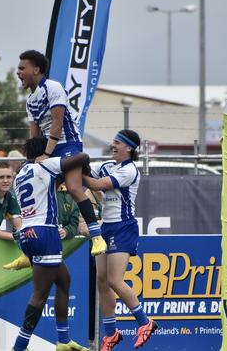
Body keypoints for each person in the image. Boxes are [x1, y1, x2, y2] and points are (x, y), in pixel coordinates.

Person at [17, 49, 106, 256]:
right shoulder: (30, 101)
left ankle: (97, 237)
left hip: (68, 145)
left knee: (75, 189)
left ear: (36, 69)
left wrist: (46, 156)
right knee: (40, 193)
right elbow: (35, 136)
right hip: (49, 148)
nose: (18, 72)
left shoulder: (53, 87)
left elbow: (57, 124)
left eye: (22, 68)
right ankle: (27, 250)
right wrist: (30, 161)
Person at [11, 137, 89, 351]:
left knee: (64, 280)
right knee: (40, 294)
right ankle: (20, 345)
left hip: (28, 233)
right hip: (45, 232)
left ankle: (63, 341)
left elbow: (48, 186)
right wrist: (71, 153)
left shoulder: (20, 174)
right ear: (44, 151)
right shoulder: (45, 164)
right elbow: (80, 158)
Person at [82, 130, 157, 351]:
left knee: (115, 280)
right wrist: (74, 165)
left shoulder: (130, 170)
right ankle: (111, 334)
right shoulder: (107, 164)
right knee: (102, 281)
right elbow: (89, 174)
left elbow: (96, 185)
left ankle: (145, 322)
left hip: (123, 227)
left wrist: (73, 171)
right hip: (105, 227)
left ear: (129, 148)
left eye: (117, 142)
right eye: (113, 140)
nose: (112, 144)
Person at [3, 182, 82, 270]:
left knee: (59, 278)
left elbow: (74, 225)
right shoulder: (37, 192)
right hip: (37, 239)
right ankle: (29, 256)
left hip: (55, 247)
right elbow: (19, 228)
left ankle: (29, 258)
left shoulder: (73, 198)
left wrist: (66, 231)